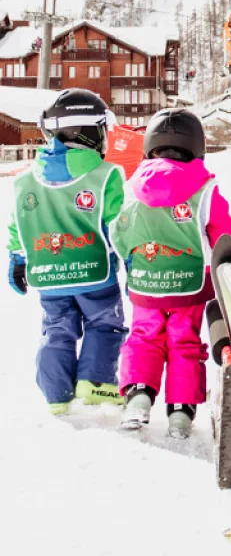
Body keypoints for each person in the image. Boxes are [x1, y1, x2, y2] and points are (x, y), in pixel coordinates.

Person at [111, 108, 231, 439]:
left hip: (146, 284)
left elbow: (119, 232)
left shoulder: (132, 187)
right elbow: (222, 234)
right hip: (189, 285)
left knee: (143, 336)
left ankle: (138, 394)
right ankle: (181, 411)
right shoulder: (205, 189)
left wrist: (133, 258)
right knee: (185, 343)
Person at [7, 89, 126, 414]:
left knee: (57, 328)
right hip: (95, 275)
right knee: (105, 323)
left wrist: (17, 260)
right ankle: (95, 384)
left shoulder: (26, 182)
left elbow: (18, 224)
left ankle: (56, 395)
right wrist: (132, 261)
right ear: (89, 131)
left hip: (48, 274)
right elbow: (119, 227)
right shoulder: (106, 176)